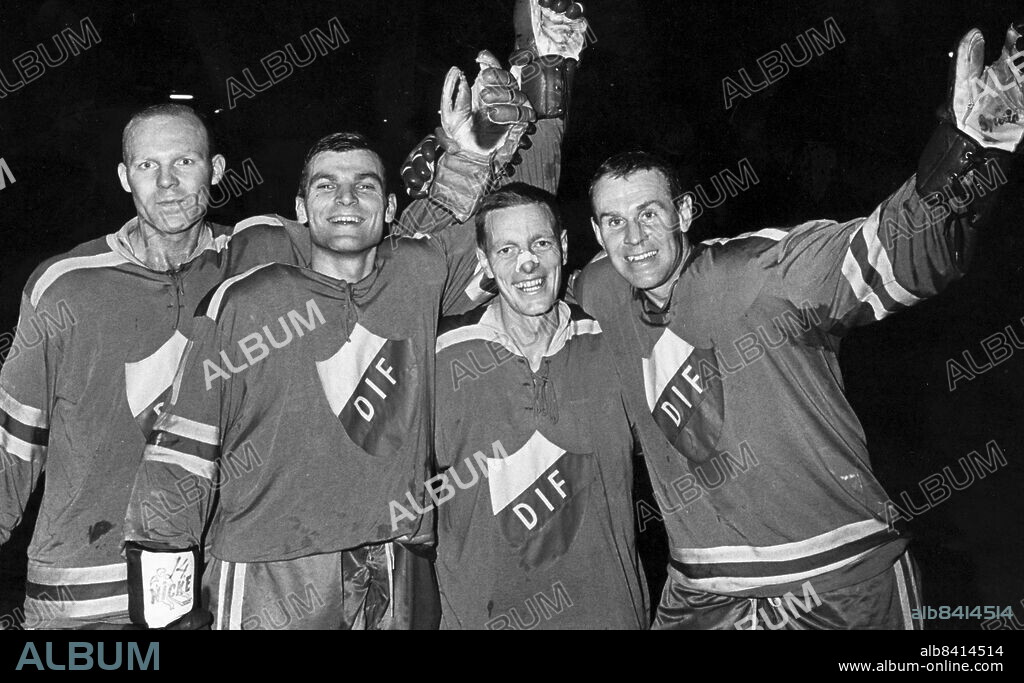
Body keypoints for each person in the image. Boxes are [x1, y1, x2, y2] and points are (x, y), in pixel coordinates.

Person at [571, 25, 1023, 629]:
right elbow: (524, 279)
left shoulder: (763, 268)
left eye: (650, 214)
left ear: (684, 213)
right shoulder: (602, 288)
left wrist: (966, 154)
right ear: (598, 234)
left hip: (838, 575)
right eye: (615, 222)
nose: (635, 238)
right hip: (706, 589)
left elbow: (894, 253)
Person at [118, 59, 565, 629]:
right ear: (302, 211)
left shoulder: (421, 273)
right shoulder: (246, 300)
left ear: (391, 209)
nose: (346, 198)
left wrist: (487, 138)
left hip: (391, 565)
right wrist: (165, 609)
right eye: (326, 186)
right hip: (267, 573)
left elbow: (520, 244)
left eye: (365, 185)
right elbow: (181, 457)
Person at [0, 103, 314, 629]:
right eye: (148, 166)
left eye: (185, 163)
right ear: (125, 177)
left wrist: (466, 162)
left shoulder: (262, 261)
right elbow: (12, 444)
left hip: (222, 587)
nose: (167, 183)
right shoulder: (66, 285)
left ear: (215, 170)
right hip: (83, 597)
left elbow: (376, 260)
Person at [431, 183, 648, 629]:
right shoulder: (440, 353)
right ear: (484, 262)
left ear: (564, 246)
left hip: (606, 615)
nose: (527, 263)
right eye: (507, 249)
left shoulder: (614, 341)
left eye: (540, 243)